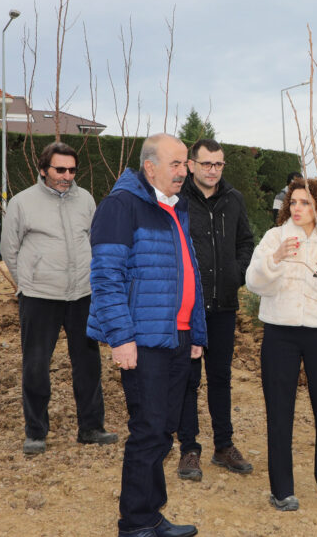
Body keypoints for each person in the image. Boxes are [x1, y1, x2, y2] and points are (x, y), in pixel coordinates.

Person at [87, 134, 204, 537]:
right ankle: (135, 523)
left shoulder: (175, 208)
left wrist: (197, 333)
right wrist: (120, 338)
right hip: (144, 340)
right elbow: (106, 277)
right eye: (176, 163)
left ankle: (151, 515)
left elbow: (189, 275)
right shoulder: (121, 206)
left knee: (162, 431)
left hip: (177, 337)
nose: (183, 171)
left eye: (185, 163)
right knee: (148, 430)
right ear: (149, 167)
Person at [245, 178, 317, 512]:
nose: (298, 208)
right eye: (294, 202)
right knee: (279, 413)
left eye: (305, 203)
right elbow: (253, 282)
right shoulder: (274, 238)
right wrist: (276, 260)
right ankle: (282, 490)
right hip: (279, 335)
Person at [1, 142, 115, 455]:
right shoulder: (23, 202)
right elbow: (9, 248)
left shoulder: (86, 200)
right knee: (36, 366)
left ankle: (91, 428)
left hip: (82, 294)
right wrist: (28, 281)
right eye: (59, 169)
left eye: (72, 170)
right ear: (43, 170)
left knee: (88, 364)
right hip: (40, 297)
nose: (67, 176)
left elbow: (95, 239)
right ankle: (36, 432)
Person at [175, 139, 255, 481]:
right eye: (206, 164)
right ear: (191, 165)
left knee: (220, 378)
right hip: (188, 307)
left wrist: (235, 274)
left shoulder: (233, 200)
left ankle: (224, 446)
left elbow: (246, 242)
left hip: (223, 305)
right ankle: (189, 450)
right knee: (188, 380)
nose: (212, 171)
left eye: (218, 165)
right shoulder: (177, 201)